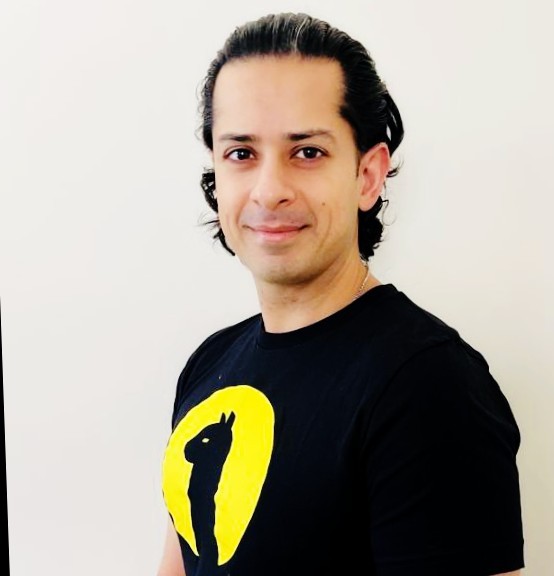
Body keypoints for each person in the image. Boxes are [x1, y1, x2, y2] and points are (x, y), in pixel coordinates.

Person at [158, 12, 524, 576]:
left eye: (307, 152)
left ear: (367, 176)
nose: (269, 190)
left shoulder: (427, 385)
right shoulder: (209, 365)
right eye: (241, 153)